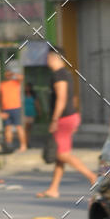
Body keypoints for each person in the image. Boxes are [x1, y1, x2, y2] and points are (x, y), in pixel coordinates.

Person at [37, 46, 96, 198]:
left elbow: (62, 98)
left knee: (61, 154)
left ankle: (92, 176)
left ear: (55, 58)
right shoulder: (66, 74)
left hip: (63, 118)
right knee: (60, 155)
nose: (47, 60)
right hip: (69, 117)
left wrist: (55, 119)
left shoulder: (59, 75)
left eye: (48, 57)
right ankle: (53, 189)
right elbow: (73, 98)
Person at [23, 82, 41, 147]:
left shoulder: (33, 95)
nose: (26, 88)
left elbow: (37, 104)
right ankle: (25, 143)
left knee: (28, 130)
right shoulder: (22, 95)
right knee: (25, 129)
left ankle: (27, 142)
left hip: (31, 113)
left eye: (28, 87)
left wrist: (39, 112)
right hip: (24, 114)